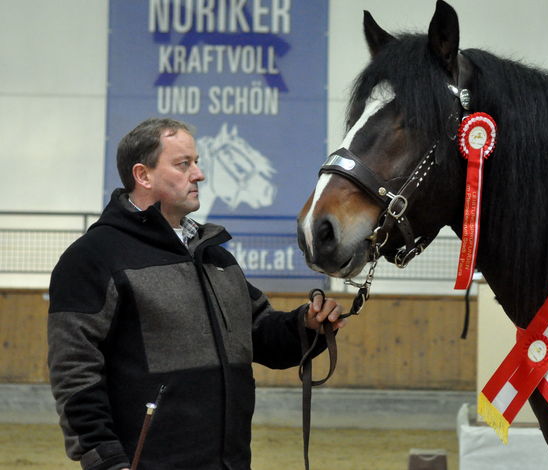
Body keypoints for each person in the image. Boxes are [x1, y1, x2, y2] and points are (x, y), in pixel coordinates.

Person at [47, 117, 345, 470]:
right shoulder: (92, 258)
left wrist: (308, 325)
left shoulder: (215, 255)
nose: (199, 175)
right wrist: (105, 459)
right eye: (183, 164)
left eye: (197, 162)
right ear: (143, 175)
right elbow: (74, 372)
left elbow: (261, 335)